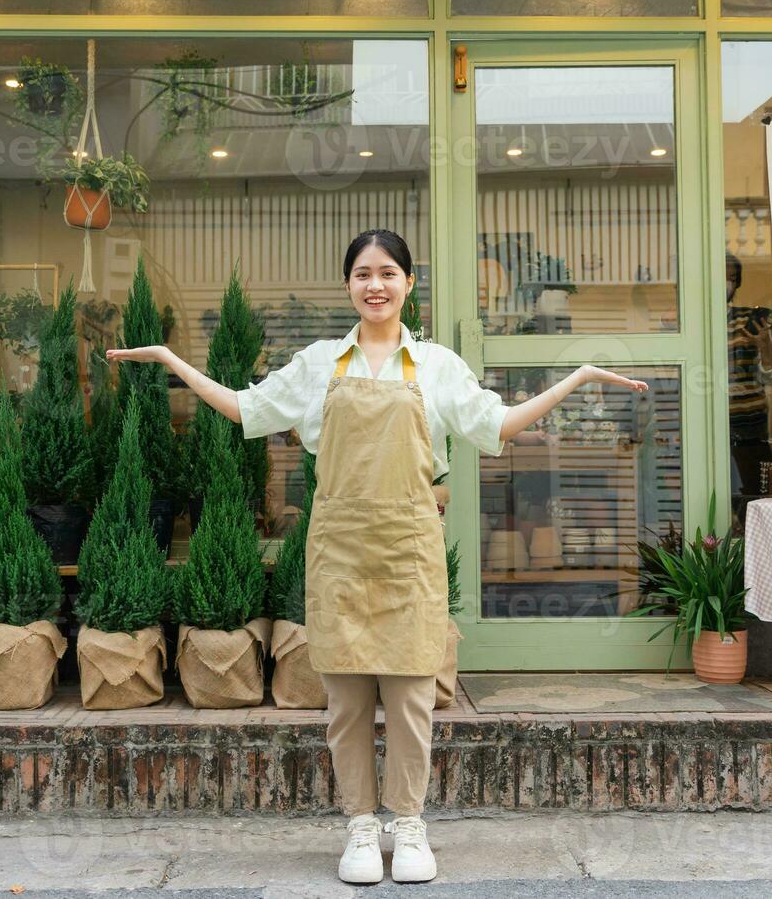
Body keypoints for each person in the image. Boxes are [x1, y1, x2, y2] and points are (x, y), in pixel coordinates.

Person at [108, 229, 646, 885]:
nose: (375, 285)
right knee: (348, 704)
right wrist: (172, 361)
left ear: (408, 283)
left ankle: (410, 824)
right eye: (363, 273)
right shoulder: (317, 366)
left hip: (409, 552)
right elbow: (245, 408)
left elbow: (496, 425)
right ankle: (361, 826)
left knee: (414, 697)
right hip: (338, 552)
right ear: (348, 286)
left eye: (388, 272)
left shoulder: (439, 367)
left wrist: (580, 377)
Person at [725, 253, 772, 512]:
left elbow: (769, 375)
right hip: (704, 424)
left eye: (732, 279)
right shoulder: (692, 322)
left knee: (755, 495)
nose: (726, 283)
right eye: (721, 277)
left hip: (749, 423)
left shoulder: (747, 318)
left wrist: (764, 344)